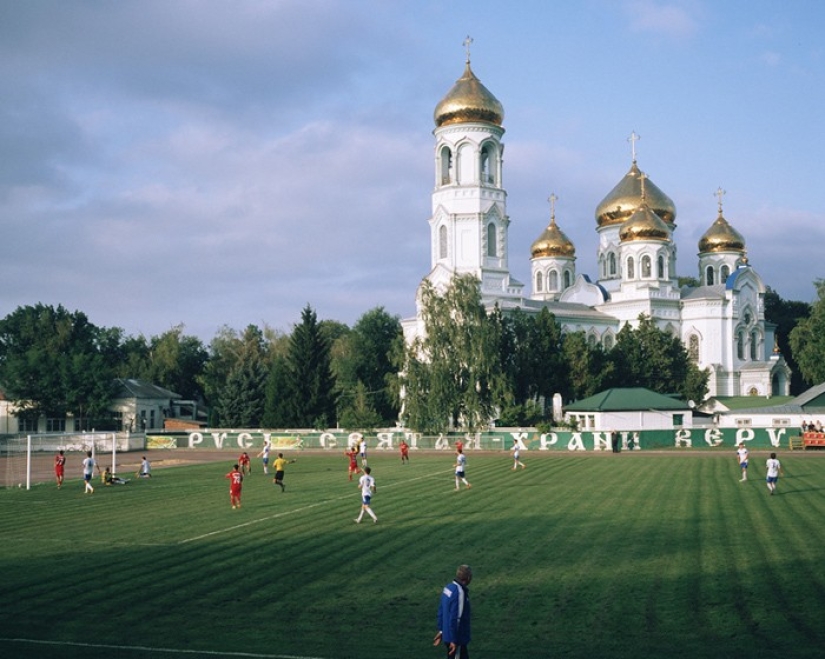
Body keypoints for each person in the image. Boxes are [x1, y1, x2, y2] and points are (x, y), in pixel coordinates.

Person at [434, 564, 473, 659]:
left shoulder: (448, 588)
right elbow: (456, 619)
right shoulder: (460, 593)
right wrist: (454, 641)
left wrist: (441, 630)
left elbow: (441, 611)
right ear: (468, 578)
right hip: (456, 639)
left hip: (448, 635)